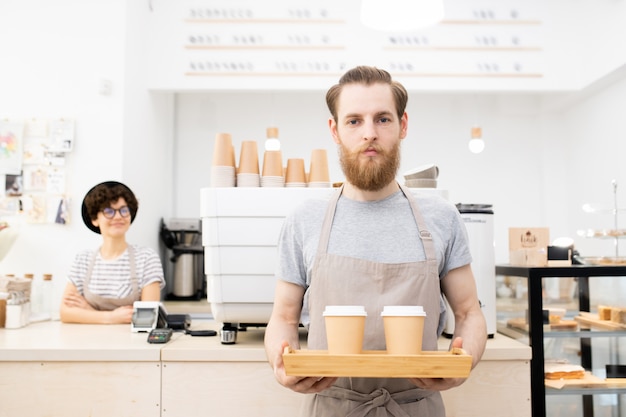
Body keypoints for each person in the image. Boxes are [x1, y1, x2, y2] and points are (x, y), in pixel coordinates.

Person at [264, 66, 487, 416]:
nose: (369, 133)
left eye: (382, 119)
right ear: (335, 131)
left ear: (403, 125)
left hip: (416, 407)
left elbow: (469, 312)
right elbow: (283, 317)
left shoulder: (442, 217)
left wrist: (465, 363)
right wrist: (282, 363)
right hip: (333, 406)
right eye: (354, 121)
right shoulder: (304, 220)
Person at [60, 181, 165, 324]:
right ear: (94, 219)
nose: (118, 217)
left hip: (133, 344)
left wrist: (88, 311)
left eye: (124, 210)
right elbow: (65, 313)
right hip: (88, 343)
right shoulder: (83, 260)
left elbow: (148, 317)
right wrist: (111, 317)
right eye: (108, 211)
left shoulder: (146, 258)